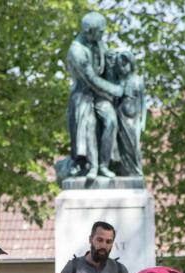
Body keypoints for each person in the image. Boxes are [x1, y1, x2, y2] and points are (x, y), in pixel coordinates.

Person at [66, 12, 123, 179]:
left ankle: (105, 165)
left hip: (100, 94)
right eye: (100, 31)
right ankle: (93, 166)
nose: (103, 34)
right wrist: (115, 90)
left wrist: (112, 59)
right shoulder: (76, 50)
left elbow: (105, 68)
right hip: (83, 94)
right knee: (89, 125)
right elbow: (91, 79)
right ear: (88, 31)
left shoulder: (99, 42)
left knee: (111, 120)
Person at [112, 49, 146, 176]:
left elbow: (143, 103)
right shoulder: (117, 81)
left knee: (133, 145)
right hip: (121, 115)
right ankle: (124, 170)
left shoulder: (138, 80)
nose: (123, 68)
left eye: (125, 64)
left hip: (134, 118)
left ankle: (136, 170)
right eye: (120, 65)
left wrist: (143, 121)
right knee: (121, 144)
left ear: (131, 64)